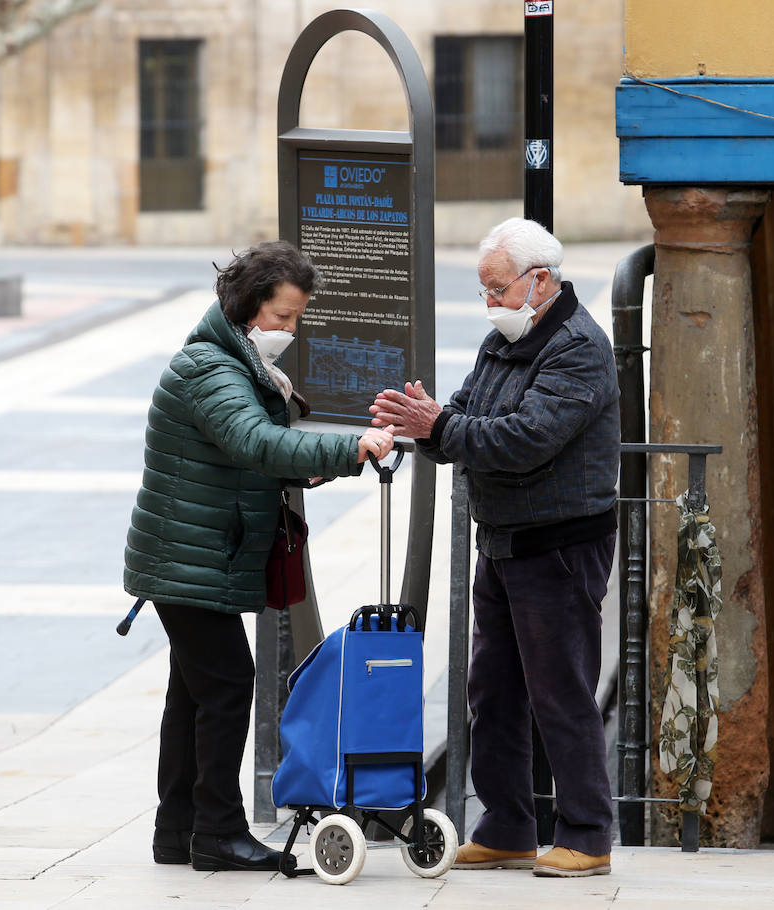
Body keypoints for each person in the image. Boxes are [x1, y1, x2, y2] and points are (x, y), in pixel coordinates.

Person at [124, 240, 396, 871]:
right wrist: (350, 447)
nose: (289, 331)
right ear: (247, 308)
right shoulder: (210, 369)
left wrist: (311, 468)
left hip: (191, 553)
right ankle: (217, 832)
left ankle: (179, 829)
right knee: (226, 686)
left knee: (192, 693)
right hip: (187, 558)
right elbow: (255, 441)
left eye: (297, 318)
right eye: (281, 318)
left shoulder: (234, 362)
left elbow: (244, 456)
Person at [371, 218, 620, 878]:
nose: (490, 304)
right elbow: (465, 414)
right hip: (505, 541)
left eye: (497, 290)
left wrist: (443, 426)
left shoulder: (578, 348)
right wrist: (427, 424)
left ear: (538, 282)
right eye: (483, 291)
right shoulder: (502, 342)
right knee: (496, 690)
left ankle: (588, 833)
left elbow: (523, 439)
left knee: (560, 692)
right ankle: (507, 824)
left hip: (559, 547)